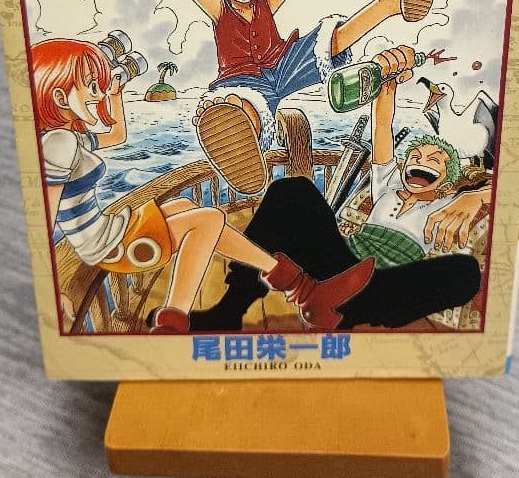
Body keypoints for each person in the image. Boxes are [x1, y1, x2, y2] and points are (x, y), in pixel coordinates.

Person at [32, 38, 375, 334]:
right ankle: (172, 322)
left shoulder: (68, 138)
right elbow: (44, 212)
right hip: (108, 245)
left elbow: (117, 135)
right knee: (208, 220)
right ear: (60, 96)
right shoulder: (60, 143)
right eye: (92, 87)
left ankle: (305, 291)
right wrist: (49, 287)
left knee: (187, 208)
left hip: (113, 230)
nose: (98, 94)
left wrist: (117, 92)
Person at [121, 0, 440, 195]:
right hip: (244, 79)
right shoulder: (219, 9)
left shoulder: (266, 2)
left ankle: (392, 0)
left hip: (284, 64)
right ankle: (235, 134)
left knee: (326, 41)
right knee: (245, 106)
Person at [191, 47, 487, 331]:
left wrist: (473, 196)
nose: (421, 162)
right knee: (293, 190)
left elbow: (497, 190)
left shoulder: (446, 205)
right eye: (415, 157)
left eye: (433, 161)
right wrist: (388, 81)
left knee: (466, 272)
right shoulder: (388, 184)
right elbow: (382, 126)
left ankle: (346, 306)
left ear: (447, 180)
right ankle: (229, 310)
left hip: (381, 286)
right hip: (339, 268)